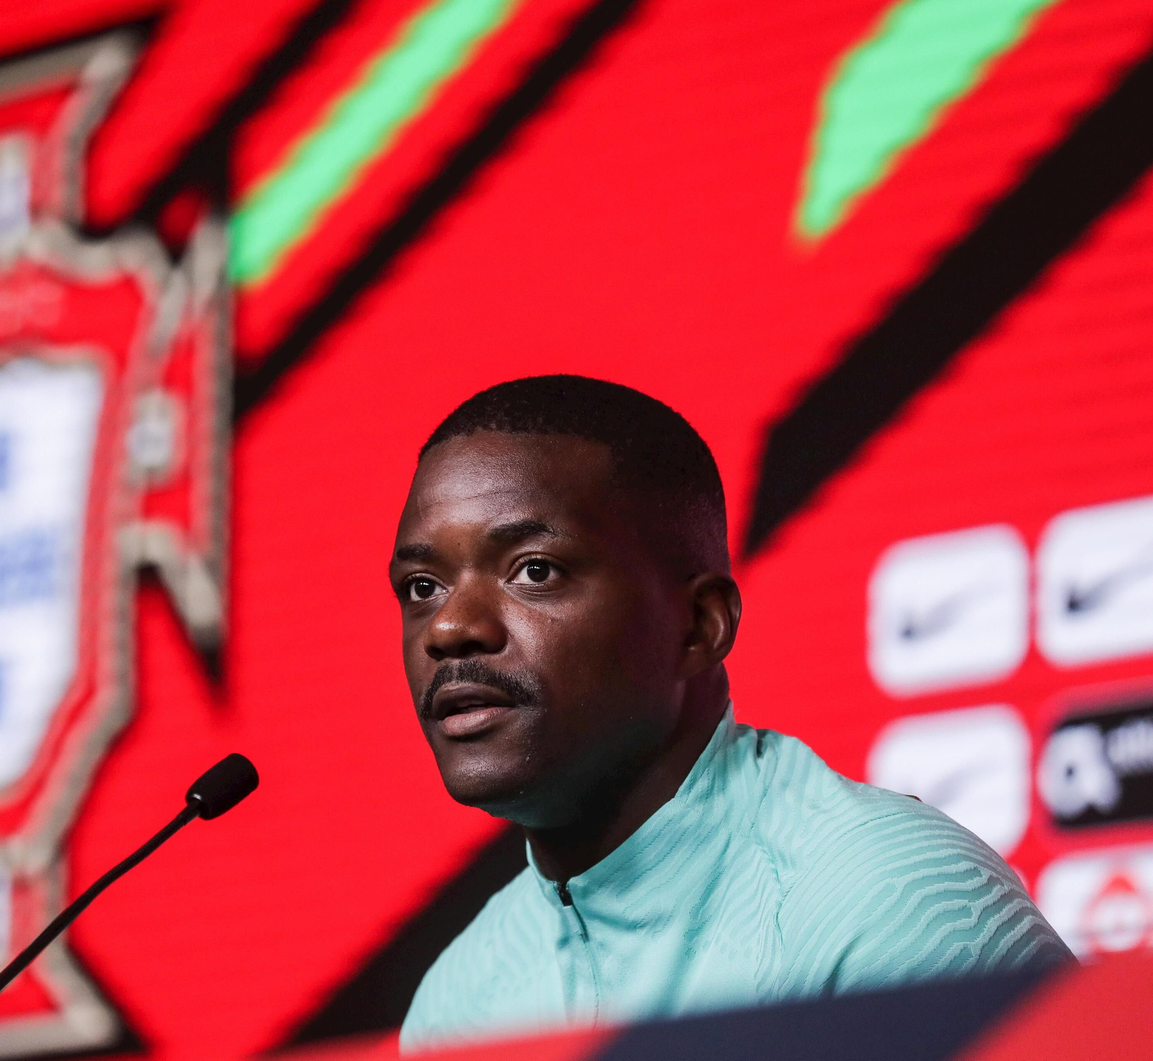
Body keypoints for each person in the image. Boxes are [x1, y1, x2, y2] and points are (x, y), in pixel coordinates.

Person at [390, 375, 1069, 1051]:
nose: (448, 628)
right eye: (422, 587)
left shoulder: (888, 899)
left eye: (534, 570)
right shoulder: (458, 1002)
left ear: (699, 625)